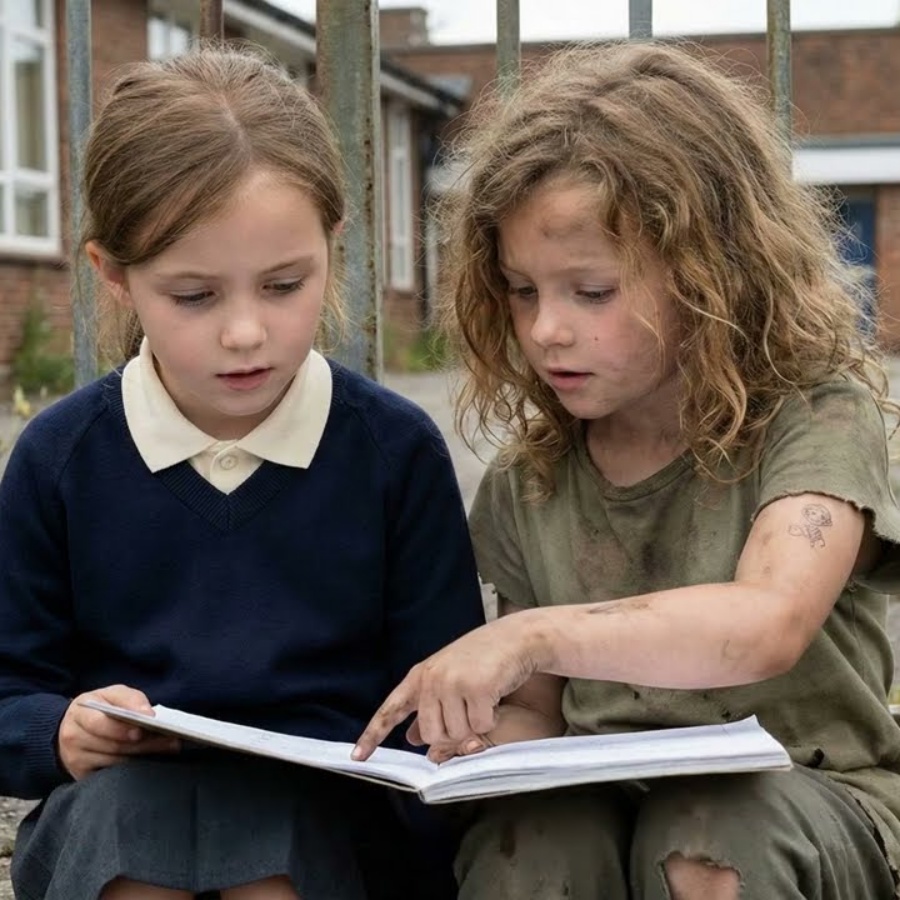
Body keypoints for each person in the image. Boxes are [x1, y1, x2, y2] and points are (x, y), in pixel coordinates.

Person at [354, 41, 900, 899]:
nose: (545, 331)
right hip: (602, 799)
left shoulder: (817, 418)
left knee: (713, 838)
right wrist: (485, 746)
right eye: (523, 290)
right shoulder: (528, 477)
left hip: (807, 799)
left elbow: (769, 622)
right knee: (528, 842)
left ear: (713, 275)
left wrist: (529, 634)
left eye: (591, 292)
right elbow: (540, 705)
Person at [0, 46, 485, 900]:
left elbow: (432, 707)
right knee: (125, 839)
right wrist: (60, 732)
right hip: (113, 817)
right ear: (113, 275)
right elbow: (9, 688)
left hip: (326, 821)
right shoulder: (59, 457)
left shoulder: (394, 452)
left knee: (275, 852)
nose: (245, 333)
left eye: (283, 284)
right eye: (195, 296)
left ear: (334, 249)